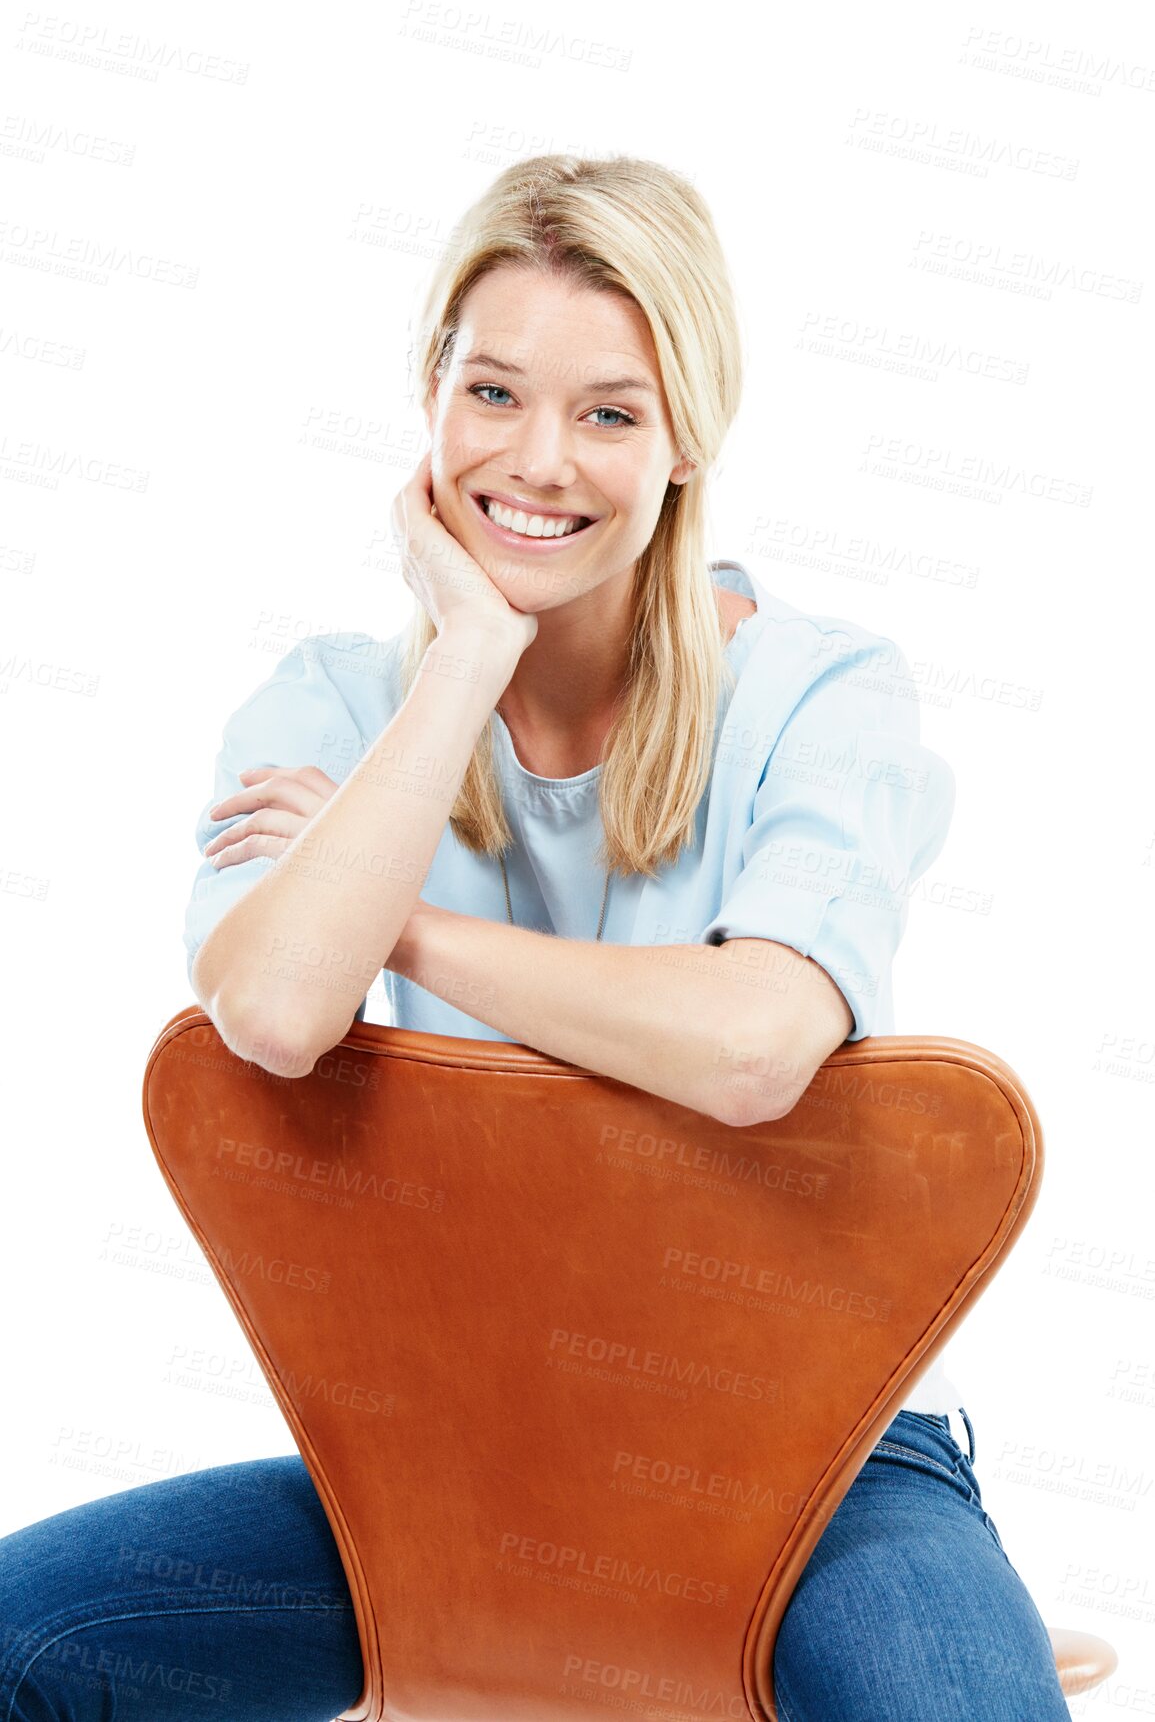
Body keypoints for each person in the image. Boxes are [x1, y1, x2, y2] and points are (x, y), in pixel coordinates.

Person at [0, 154, 1072, 1722]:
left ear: (689, 435)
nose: (540, 461)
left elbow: (760, 1040)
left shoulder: (826, 691)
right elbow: (279, 1013)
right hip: (465, 1450)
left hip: (824, 1445)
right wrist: (466, 652)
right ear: (430, 394)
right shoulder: (335, 704)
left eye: (610, 413)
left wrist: (402, 917)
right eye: (493, 393)